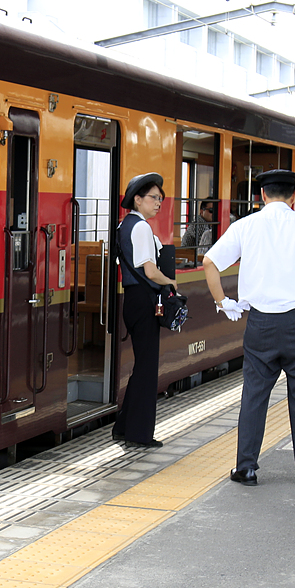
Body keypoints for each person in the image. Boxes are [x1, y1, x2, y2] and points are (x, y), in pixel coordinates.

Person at [202, 169, 295, 487]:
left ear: (261, 195)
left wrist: (223, 302)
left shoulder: (245, 226)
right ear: (294, 196)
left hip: (261, 323)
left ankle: (246, 468)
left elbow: (210, 262)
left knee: (254, 394)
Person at [112, 172, 175, 448]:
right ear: (138, 200)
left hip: (133, 299)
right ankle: (138, 434)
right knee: (147, 369)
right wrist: (171, 281)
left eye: (160, 199)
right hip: (144, 301)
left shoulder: (123, 226)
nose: (158, 203)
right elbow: (149, 269)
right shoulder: (140, 228)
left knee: (142, 367)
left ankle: (125, 426)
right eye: (153, 198)